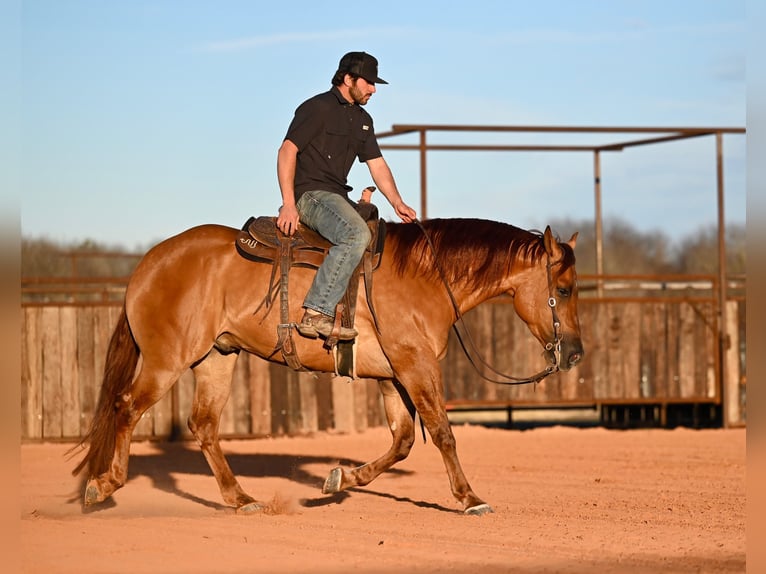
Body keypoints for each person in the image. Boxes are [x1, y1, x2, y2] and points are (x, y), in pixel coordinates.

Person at [276, 51, 417, 341]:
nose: (373, 89)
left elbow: (377, 164)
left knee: (378, 232)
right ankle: (316, 312)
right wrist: (289, 204)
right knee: (355, 235)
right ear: (348, 78)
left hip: (338, 196)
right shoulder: (317, 108)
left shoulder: (363, 120)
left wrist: (397, 202)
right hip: (311, 195)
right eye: (368, 82)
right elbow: (287, 151)